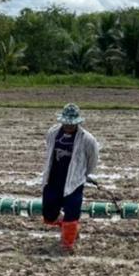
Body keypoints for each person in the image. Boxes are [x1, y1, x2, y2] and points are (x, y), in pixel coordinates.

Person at [40, 103, 100, 253]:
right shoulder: (53, 133)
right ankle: (66, 227)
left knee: (72, 214)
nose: (68, 126)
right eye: (66, 123)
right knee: (48, 214)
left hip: (74, 182)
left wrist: (83, 175)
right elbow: (49, 152)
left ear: (77, 123)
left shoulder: (87, 139)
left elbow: (92, 160)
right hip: (54, 179)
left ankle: (67, 244)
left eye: (71, 123)